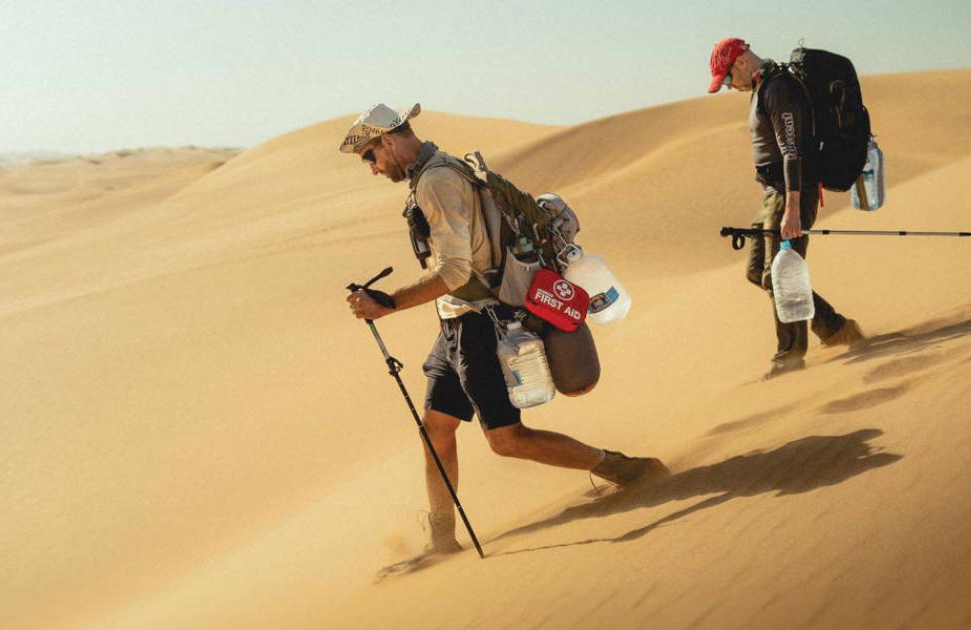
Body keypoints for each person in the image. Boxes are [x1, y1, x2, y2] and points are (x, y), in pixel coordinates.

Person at [341, 103, 666, 554]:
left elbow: (453, 271)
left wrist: (389, 303)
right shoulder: (437, 172)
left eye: (370, 158)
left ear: (389, 141)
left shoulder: (436, 181)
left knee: (507, 441)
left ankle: (623, 469)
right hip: (457, 323)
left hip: (481, 325)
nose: (373, 169)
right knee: (435, 430)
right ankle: (441, 540)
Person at [708, 38, 865, 379]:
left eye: (727, 79)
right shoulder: (761, 86)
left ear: (740, 64)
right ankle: (835, 328)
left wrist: (792, 207)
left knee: (780, 274)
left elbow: (793, 151)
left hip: (791, 192)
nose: (729, 87)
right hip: (772, 194)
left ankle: (790, 356)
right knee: (758, 272)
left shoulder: (779, 89)